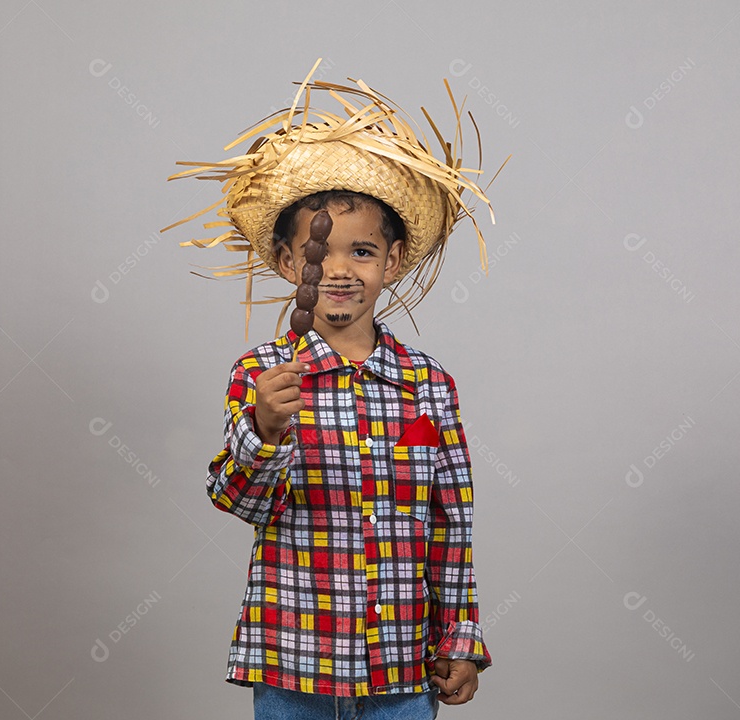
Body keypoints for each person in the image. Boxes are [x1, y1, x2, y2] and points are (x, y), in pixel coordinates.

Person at [161, 60, 505, 719]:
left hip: (402, 668)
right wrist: (264, 427)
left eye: (363, 252)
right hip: (294, 663)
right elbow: (240, 500)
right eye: (319, 255)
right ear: (290, 264)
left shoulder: (429, 387)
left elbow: (449, 521)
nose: (339, 270)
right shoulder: (263, 377)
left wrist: (460, 636)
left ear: (393, 263)